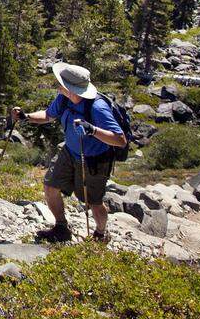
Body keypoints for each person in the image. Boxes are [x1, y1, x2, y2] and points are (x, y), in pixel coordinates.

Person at [14, 62, 126, 243]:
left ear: (70, 88)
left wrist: (92, 130)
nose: (57, 84)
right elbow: (48, 115)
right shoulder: (64, 98)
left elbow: (120, 140)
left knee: (92, 202)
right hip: (70, 151)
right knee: (50, 186)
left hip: (94, 160)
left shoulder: (97, 108)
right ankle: (61, 227)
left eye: (60, 82)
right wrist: (26, 117)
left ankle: (100, 233)